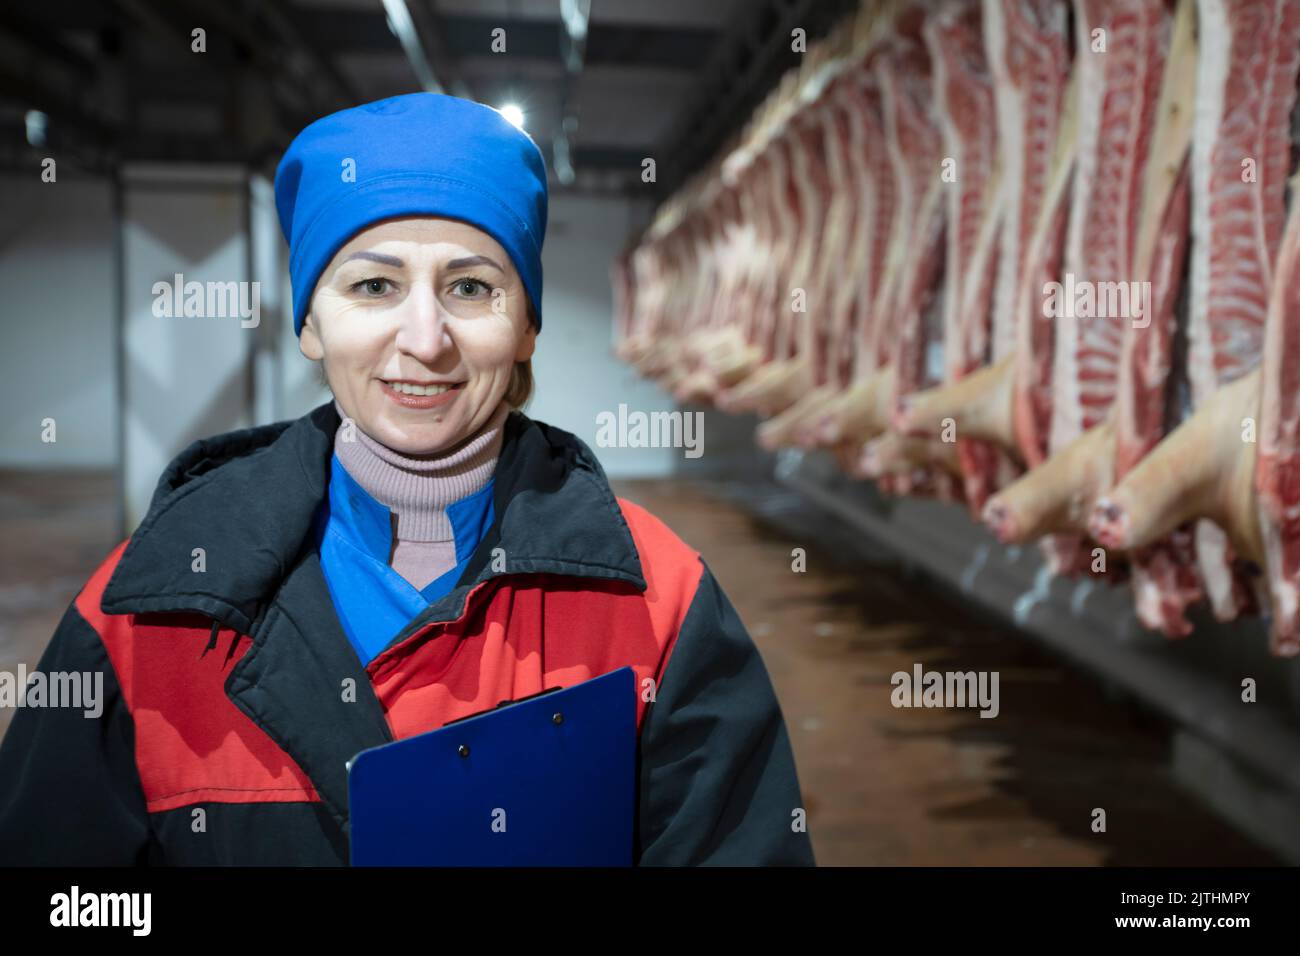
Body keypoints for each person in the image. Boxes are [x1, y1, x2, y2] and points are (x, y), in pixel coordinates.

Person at [0, 92, 814, 866]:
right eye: (373, 285)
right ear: (312, 322)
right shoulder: (147, 612)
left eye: (470, 287)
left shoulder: (657, 602)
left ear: (526, 324)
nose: (425, 339)